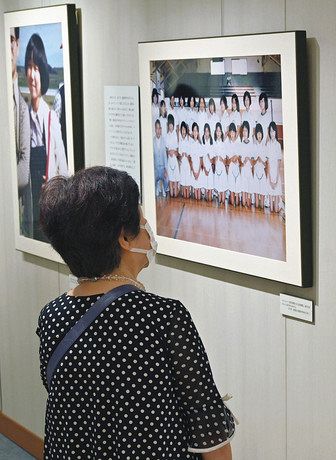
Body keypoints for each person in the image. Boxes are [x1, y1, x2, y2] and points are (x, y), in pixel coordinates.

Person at [37, 166, 235, 459]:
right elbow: (207, 429)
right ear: (124, 238)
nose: (148, 232)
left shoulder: (52, 316)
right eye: (143, 223)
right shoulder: (163, 317)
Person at [24, 33, 68, 241]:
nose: (32, 75)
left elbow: (64, 171)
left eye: (37, 68)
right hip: (30, 204)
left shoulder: (50, 118)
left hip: (48, 207)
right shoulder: (24, 117)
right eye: (29, 67)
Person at [10, 27, 32, 236]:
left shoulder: (22, 109)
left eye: (11, 40)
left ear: (17, 44)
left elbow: (23, 173)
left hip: (14, 212)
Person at [266, 121, 283, 212]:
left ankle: (279, 204)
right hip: (270, 174)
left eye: (273, 131)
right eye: (271, 131)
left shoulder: (278, 145)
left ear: (276, 132)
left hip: (276, 174)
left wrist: (275, 180)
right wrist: (269, 179)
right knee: (271, 209)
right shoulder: (268, 144)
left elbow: (278, 163)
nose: (272, 133)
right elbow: (268, 162)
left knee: (276, 210)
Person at [165, 114, 180, 197]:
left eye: (172, 125)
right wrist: (169, 152)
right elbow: (166, 150)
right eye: (169, 125)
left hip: (174, 159)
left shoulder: (175, 135)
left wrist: (174, 152)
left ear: (173, 125)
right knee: (171, 179)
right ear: (168, 125)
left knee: (175, 179)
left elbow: (177, 153)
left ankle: (176, 189)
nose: (171, 127)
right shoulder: (167, 135)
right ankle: (171, 191)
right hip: (169, 161)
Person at [153, 119, 168, 197]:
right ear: (155, 129)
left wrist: (165, 169)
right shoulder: (152, 141)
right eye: (156, 128)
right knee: (153, 180)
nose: (158, 130)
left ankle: (164, 189)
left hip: (162, 167)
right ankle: (157, 186)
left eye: (159, 128)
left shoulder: (164, 140)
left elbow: (165, 156)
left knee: (167, 180)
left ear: (161, 129)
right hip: (155, 168)